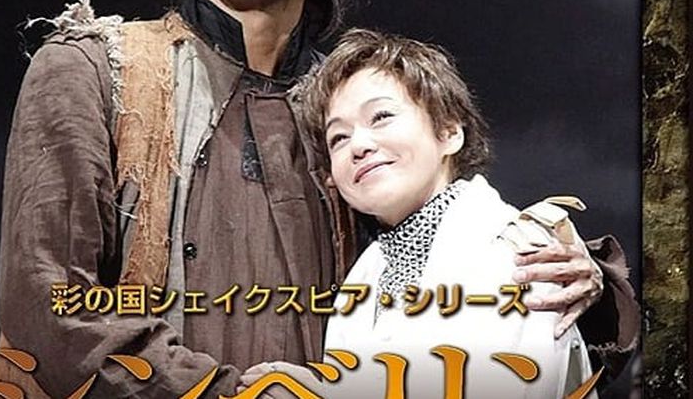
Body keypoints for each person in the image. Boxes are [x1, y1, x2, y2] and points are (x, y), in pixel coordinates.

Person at [0, 0, 637, 397]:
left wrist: (588, 284)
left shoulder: (346, 109)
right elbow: (48, 306)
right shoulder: (97, 69)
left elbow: (446, 235)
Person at [241, 29, 603, 398]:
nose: (359, 145)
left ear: (449, 131)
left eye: (381, 116)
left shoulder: (522, 251)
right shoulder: (364, 276)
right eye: (339, 138)